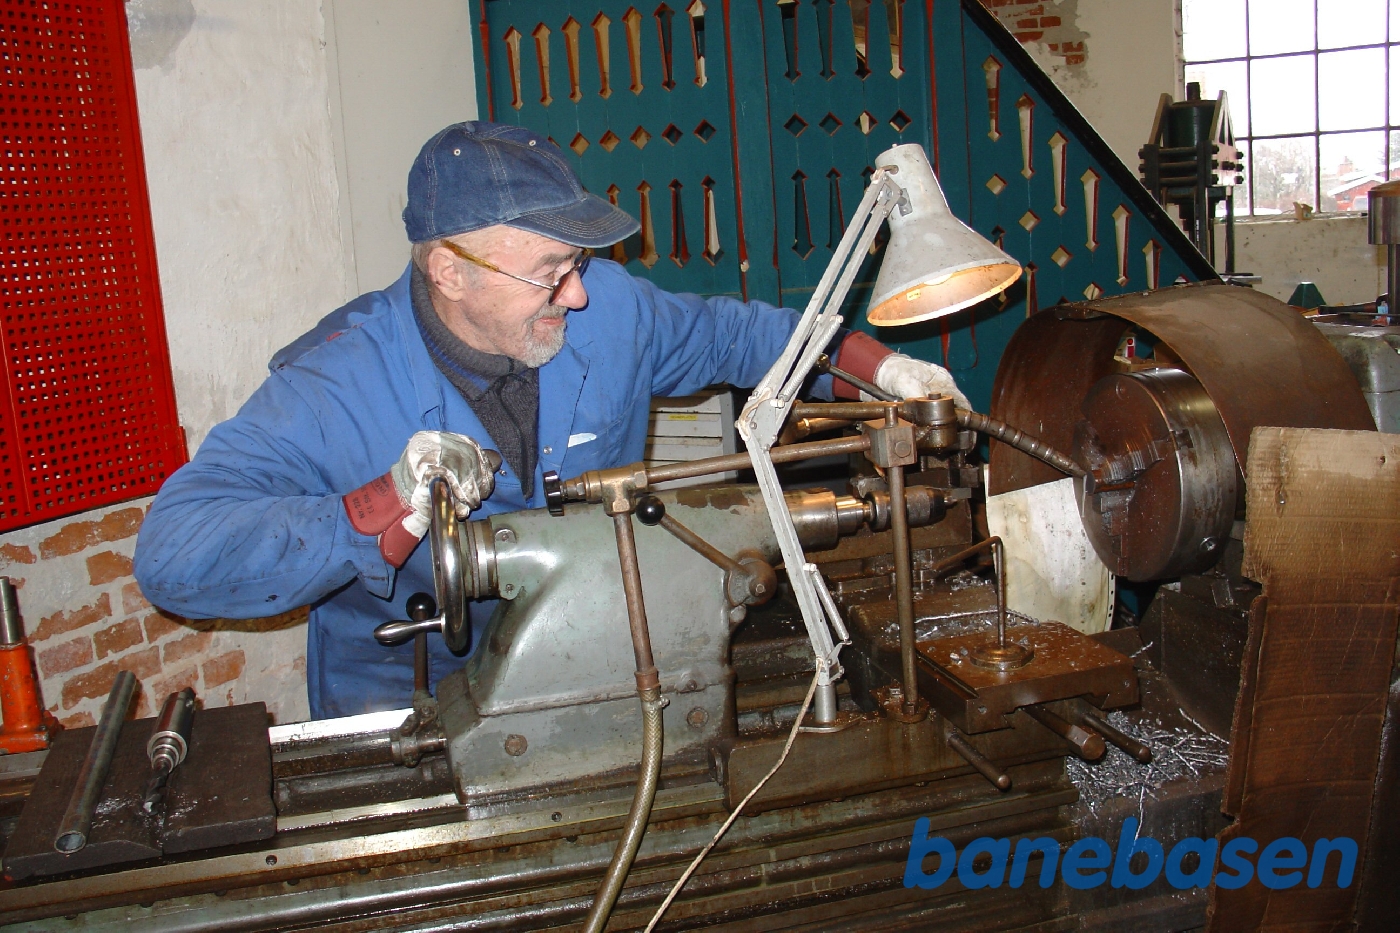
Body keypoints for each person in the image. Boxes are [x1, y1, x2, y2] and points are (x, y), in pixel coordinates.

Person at [134, 121, 969, 719]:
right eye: (549, 271)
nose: (577, 293)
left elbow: (740, 335)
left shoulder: (609, 315)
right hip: (401, 695)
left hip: (581, 662)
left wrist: (879, 370)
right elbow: (174, 553)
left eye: (577, 263)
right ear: (448, 271)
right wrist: (382, 503)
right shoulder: (333, 385)